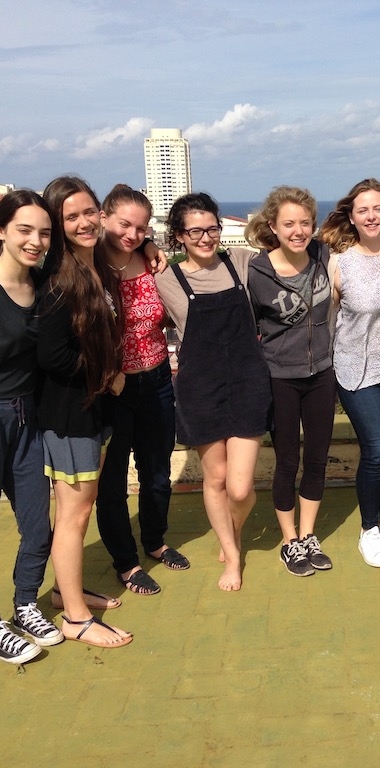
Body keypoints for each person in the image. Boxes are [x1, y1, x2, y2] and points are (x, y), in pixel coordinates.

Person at [155, 192, 271, 592]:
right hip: (200, 388)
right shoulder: (165, 280)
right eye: (196, 231)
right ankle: (232, 555)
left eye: (212, 228)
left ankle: (232, 529)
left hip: (247, 381)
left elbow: (283, 248)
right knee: (216, 478)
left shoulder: (240, 263)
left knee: (240, 488)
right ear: (179, 236)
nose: (206, 237)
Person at [38, 176, 132, 648]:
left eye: (88, 212)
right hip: (70, 413)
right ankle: (74, 618)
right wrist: (106, 375)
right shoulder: (58, 281)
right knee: (74, 513)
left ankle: (64, 592)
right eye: (70, 216)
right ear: (56, 224)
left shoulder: (96, 268)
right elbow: (52, 357)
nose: (83, 222)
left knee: (82, 506)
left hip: (94, 409)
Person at [95, 184, 188, 598]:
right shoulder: (89, 265)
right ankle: (125, 562)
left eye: (141, 227)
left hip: (155, 379)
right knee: (112, 482)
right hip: (111, 389)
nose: (132, 234)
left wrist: (149, 244)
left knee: (157, 471)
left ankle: (154, 540)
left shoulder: (150, 262)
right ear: (102, 218)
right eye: (124, 225)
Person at [319, 179, 380, 568]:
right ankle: (369, 528)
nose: (371, 216)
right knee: (375, 450)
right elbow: (328, 319)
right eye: (363, 210)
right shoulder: (340, 259)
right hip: (356, 369)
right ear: (352, 216)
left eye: (378, 208)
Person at [246, 187, 335, 577]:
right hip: (280, 377)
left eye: (304, 223)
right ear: (273, 227)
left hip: (322, 374)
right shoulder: (256, 272)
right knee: (287, 460)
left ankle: (308, 534)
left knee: (316, 458)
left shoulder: (325, 255)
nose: (298, 231)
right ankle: (288, 541)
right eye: (289, 224)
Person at [0, 190, 63, 663]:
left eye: (43, 232)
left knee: (38, 525)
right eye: (24, 229)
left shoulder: (43, 284)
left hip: (28, 416)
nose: (35, 240)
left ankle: (25, 603)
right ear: (2, 230)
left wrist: (148, 250)